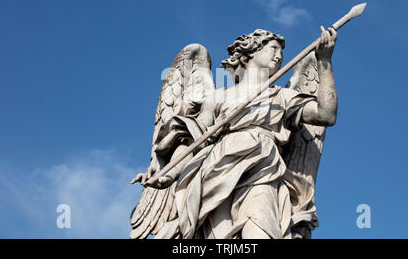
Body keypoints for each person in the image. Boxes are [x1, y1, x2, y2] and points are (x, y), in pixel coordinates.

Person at [140, 27, 337, 239]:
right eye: (273, 49)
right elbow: (193, 142)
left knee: (261, 230)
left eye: (281, 52)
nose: (279, 56)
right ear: (251, 51)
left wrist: (324, 61)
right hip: (216, 171)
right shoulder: (217, 98)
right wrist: (168, 173)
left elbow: (325, 114)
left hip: (263, 169)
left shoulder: (282, 97)